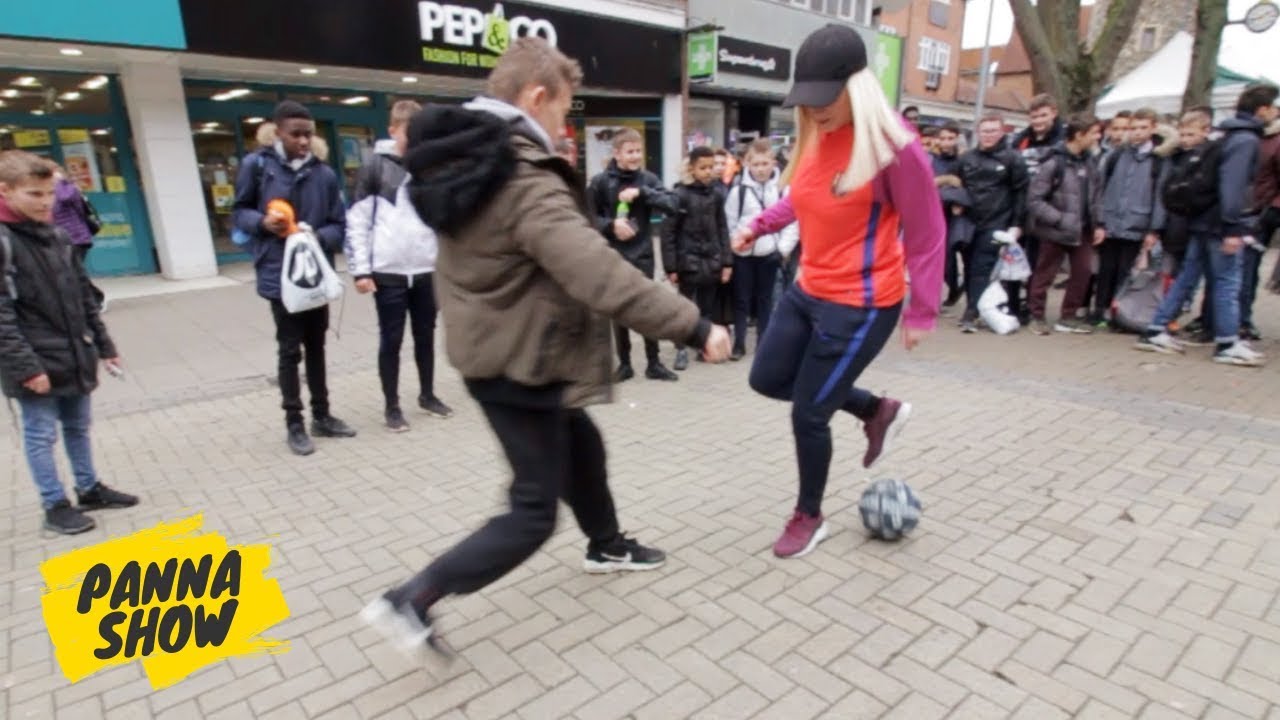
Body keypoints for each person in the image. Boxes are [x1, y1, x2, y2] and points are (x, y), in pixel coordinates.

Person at [360, 37, 732, 653]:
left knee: (582, 445)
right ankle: (413, 598)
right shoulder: (520, 177)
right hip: (517, 360)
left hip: (500, 347)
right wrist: (694, 326)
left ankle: (607, 544)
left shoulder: (463, 160)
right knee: (532, 511)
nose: (563, 124)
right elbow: (597, 272)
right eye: (563, 110)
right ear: (536, 97)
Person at [733, 24, 944, 559]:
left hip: (862, 304)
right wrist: (759, 224)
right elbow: (803, 199)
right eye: (804, 99)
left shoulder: (896, 148)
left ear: (858, 87)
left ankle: (810, 515)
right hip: (808, 290)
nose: (812, 110)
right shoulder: (817, 135)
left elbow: (927, 232)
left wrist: (922, 313)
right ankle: (876, 409)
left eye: (823, 99)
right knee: (768, 377)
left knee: (808, 412)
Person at [0, 150, 138, 534]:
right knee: (41, 434)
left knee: (78, 426)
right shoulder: (5, 242)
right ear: (5, 192)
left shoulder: (58, 236)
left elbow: (84, 297)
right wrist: (27, 368)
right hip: (36, 362)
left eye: (49, 193)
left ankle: (89, 487)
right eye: (34, 194)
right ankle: (54, 504)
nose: (46, 202)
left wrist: (105, 345)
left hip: (75, 352)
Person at [233, 100, 355, 456]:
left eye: (309, 134)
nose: (303, 141)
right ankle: (294, 424)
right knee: (290, 350)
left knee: (316, 346)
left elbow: (339, 224)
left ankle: (323, 415)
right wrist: (262, 224)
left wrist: (318, 237)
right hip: (278, 273)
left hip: (315, 275)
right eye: (296, 134)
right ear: (278, 132)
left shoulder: (325, 174)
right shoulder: (256, 166)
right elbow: (240, 212)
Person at [1135, 87, 1277, 366]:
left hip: (1203, 220)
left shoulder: (1226, 136)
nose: (1274, 112)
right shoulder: (1246, 140)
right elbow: (1233, 185)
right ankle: (1226, 342)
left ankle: (1156, 329)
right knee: (1227, 281)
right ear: (1262, 109)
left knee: (1188, 275)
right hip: (1220, 224)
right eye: (1272, 107)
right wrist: (1233, 227)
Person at [345, 100, 453, 433]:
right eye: (410, 133)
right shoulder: (374, 167)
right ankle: (392, 406)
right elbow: (357, 223)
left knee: (426, 336)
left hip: (425, 270)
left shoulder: (431, 167)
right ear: (392, 130)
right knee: (391, 340)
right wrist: (361, 270)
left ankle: (427, 394)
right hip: (388, 271)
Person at [586, 128, 680, 382]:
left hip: (643, 255)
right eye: (630, 151)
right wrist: (611, 225)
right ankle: (625, 364)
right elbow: (587, 217)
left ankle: (654, 363)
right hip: (613, 256)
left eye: (638, 151)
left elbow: (672, 205)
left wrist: (643, 193)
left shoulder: (647, 179)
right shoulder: (600, 182)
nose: (636, 156)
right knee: (619, 311)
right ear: (616, 153)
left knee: (647, 308)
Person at [1091, 108, 1171, 328]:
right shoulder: (1117, 155)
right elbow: (1101, 188)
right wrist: (1099, 220)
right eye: (1133, 128)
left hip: (1138, 223)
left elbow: (1160, 197)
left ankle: (1120, 312)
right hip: (1110, 221)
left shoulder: (1159, 160)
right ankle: (1100, 310)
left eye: (1143, 128)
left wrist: (1154, 230)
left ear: (1153, 128)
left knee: (1126, 272)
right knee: (1105, 269)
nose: (1137, 133)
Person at [1026, 113, 1104, 335]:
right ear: (1079, 135)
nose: (1097, 137)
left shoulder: (1091, 162)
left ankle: (1068, 316)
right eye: (1094, 133)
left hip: (1084, 230)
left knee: (1083, 272)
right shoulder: (1053, 162)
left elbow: (1097, 195)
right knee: (1045, 274)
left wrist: (1098, 224)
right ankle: (1036, 315)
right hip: (1055, 230)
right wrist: (1059, 219)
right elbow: (1034, 200)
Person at [725, 138, 799, 360]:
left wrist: (782, 250)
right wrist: (734, 245)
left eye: (764, 164)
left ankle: (763, 342)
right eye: (755, 164)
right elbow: (730, 222)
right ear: (747, 164)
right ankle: (739, 343)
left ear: (773, 163)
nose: (760, 169)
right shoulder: (738, 191)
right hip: (743, 255)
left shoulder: (783, 189)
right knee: (741, 299)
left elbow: (793, 222)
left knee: (766, 300)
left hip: (770, 253)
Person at [956, 113, 1030, 333]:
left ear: (1001, 132)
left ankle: (972, 311)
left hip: (997, 223)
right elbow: (955, 183)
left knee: (982, 266)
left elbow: (1021, 192)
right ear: (977, 132)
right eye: (984, 131)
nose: (988, 135)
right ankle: (976, 305)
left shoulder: (1013, 159)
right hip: (969, 222)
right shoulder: (966, 158)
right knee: (969, 266)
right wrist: (955, 204)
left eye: (993, 131)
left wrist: (1017, 224)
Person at [664, 146, 733, 371]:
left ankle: (704, 346)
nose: (708, 171)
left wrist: (726, 261)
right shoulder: (680, 194)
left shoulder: (717, 194)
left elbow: (722, 228)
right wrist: (671, 266)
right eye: (703, 167)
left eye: (711, 167)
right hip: (687, 263)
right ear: (692, 168)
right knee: (684, 308)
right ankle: (681, 349)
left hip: (711, 261)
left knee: (707, 308)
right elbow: (669, 232)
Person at [47, 161, 105, 311]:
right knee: (70, 271)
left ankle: (95, 299)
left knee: (72, 271)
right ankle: (91, 299)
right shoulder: (49, 192)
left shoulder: (68, 190)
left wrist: (58, 181)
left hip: (76, 237)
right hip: (59, 238)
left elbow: (65, 200)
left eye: (50, 173)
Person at [932, 123, 966, 308]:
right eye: (943, 138)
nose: (946, 143)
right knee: (938, 258)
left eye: (950, 138)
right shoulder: (931, 158)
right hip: (932, 213)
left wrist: (960, 201)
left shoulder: (963, 160)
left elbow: (965, 183)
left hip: (954, 214)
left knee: (950, 255)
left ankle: (954, 289)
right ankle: (947, 290)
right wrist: (945, 180)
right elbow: (924, 182)